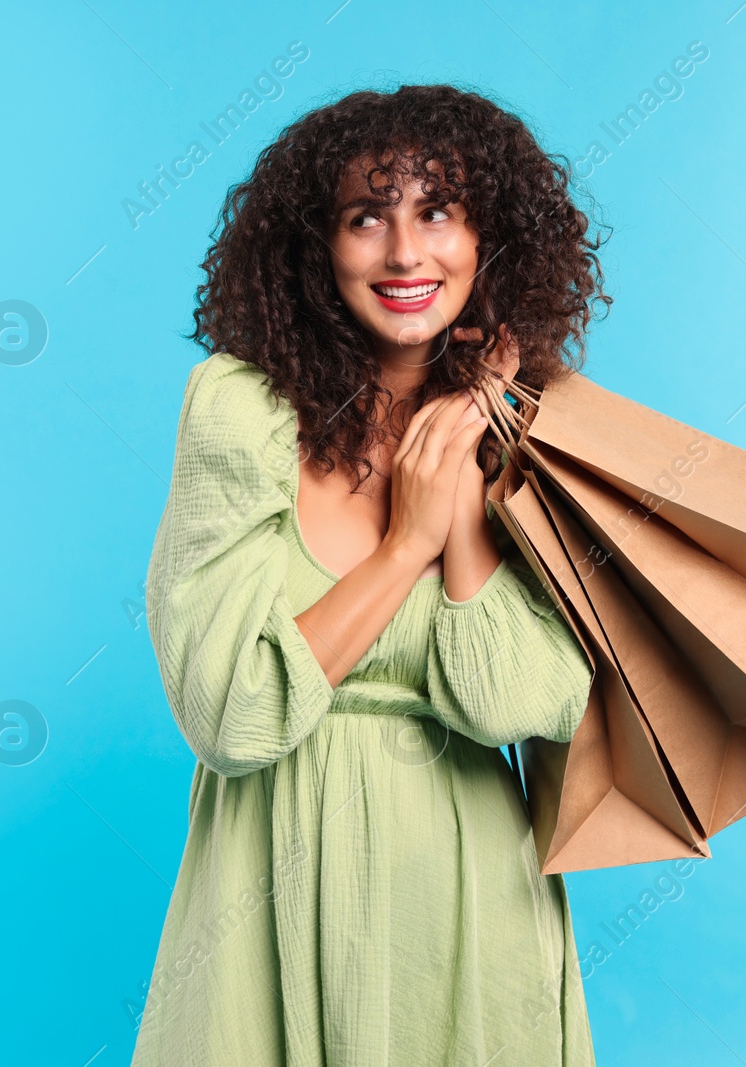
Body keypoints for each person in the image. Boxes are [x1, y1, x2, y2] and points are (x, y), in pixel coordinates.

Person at [132, 83, 612, 1066]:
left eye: (437, 211)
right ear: (319, 246)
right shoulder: (237, 410)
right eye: (366, 217)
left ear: (491, 241)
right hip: (265, 897)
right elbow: (229, 713)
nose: (403, 254)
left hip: (469, 902)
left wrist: (464, 508)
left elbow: (518, 702)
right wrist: (405, 546)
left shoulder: (534, 429)